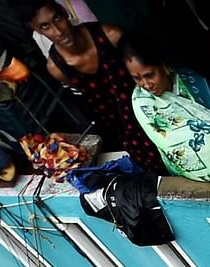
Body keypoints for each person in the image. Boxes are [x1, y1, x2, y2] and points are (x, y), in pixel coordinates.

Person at [30, 2, 162, 171]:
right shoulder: (57, 68)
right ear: (37, 29)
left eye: (57, 18)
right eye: (46, 26)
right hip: (118, 129)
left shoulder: (111, 36)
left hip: (151, 111)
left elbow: (144, 72)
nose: (58, 30)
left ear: (64, 12)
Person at [121, 41, 210, 182]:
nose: (145, 84)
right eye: (137, 78)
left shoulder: (193, 83)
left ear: (162, 65)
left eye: (150, 75)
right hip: (191, 182)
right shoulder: (141, 101)